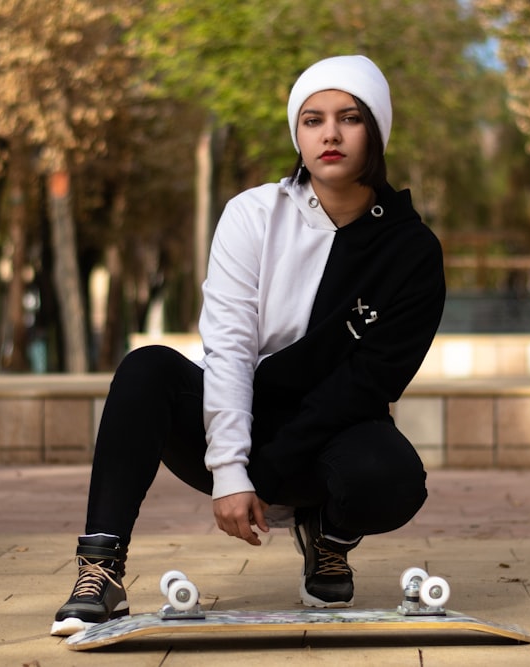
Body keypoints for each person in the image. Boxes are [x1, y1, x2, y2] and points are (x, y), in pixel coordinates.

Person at [51, 54, 446, 636]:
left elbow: (368, 385)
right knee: (146, 370)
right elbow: (229, 348)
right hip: (240, 421)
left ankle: (329, 537)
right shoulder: (254, 215)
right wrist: (231, 470)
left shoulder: (410, 251)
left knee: (391, 477)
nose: (330, 134)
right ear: (298, 134)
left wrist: (271, 470)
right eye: (312, 120)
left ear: (377, 131)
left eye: (349, 118)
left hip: (332, 430)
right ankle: (100, 569)